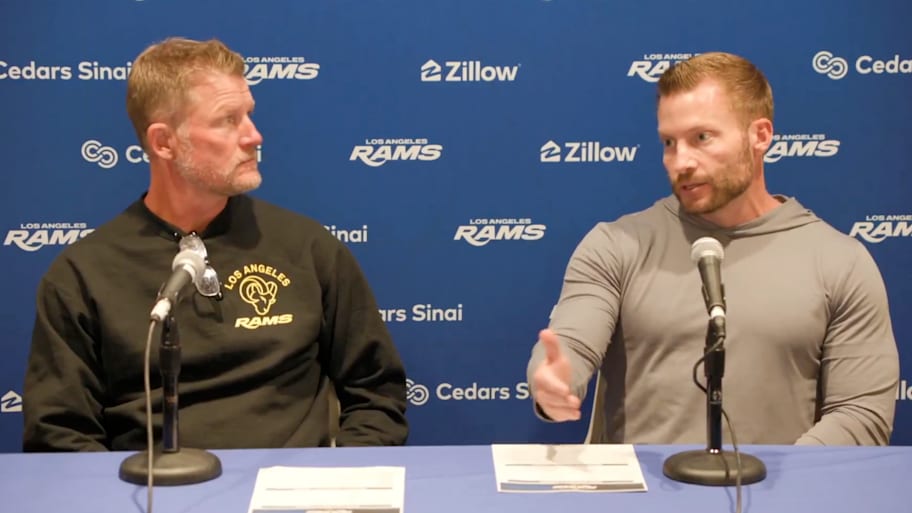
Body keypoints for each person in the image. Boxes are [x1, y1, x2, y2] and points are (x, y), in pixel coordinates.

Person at [22, 37, 408, 451]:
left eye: (249, 115)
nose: (254, 136)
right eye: (228, 120)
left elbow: (376, 394)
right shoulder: (83, 275)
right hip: (151, 483)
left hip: (294, 483)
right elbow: (59, 435)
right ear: (164, 142)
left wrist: (341, 477)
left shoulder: (309, 248)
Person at [527, 52, 899, 445]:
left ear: (760, 136)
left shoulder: (840, 261)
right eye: (669, 142)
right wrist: (555, 379)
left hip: (782, 485)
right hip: (640, 486)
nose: (681, 161)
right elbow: (571, 343)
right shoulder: (616, 245)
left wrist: (777, 476)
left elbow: (860, 415)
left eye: (701, 138)